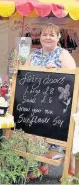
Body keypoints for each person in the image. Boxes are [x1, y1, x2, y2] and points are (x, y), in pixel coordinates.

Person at [25, 23, 76, 179]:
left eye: (52, 35)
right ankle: (40, 166)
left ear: (58, 37)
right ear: (40, 37)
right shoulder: (34, 55)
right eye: (45, 35)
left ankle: (70, 170)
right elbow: (24, 75)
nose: (48, 38)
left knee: (63, 136)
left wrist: (55, 72)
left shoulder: (63, 54)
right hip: (37, 103)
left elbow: (72, 78)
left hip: (59, 105)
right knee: (37, 135)